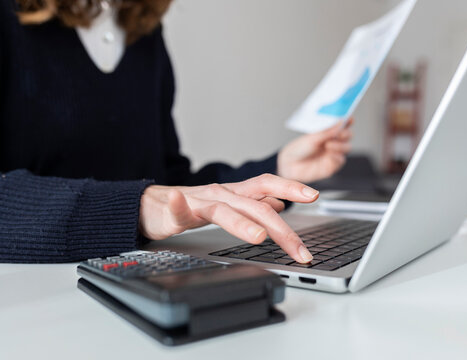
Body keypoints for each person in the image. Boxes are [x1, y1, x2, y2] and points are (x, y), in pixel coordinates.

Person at [0, 0, 352, 264]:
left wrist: (280, 169)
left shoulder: (144, 35)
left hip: (137, 280)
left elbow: (168, 184)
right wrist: (135, 207)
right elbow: (150, 199)